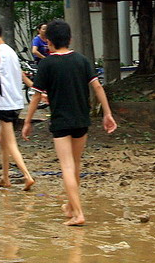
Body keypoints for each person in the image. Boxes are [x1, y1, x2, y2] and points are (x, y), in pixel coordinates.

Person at [22, 19, 117, 226]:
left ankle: (78, 214)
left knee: (66, 166)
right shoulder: (82, 60)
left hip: (61, 123)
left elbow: (36, 97)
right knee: (75, 165)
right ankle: (71, 206)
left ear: (47, 41)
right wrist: (107, 114)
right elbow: (98, 87)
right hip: (81, 120)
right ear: (70, 39)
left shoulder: (46, 64)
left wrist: (27, 122)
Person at [0, 19, 35, 191]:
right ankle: (5, 178)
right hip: (16, 101)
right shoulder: (11, 51)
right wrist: (35, 88)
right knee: (1, 139)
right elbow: (21, 75)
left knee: (10, 142)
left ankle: (27, 176)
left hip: (6, 103)